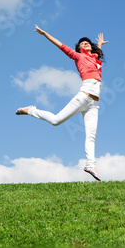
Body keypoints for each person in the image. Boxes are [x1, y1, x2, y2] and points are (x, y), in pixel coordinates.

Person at [16, 25, 108, 181]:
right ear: (79, 49)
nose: (85, 44)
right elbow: (61, 46)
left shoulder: (96, 60)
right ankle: (31, 110)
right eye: (82, 44)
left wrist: (98, 45)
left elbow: (96, 53)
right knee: (55, 121)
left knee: (91, 136)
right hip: (83, 97)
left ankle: (91, 165)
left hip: (94, 104)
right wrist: (45, 34)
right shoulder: (79, 57)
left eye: (87, 43)